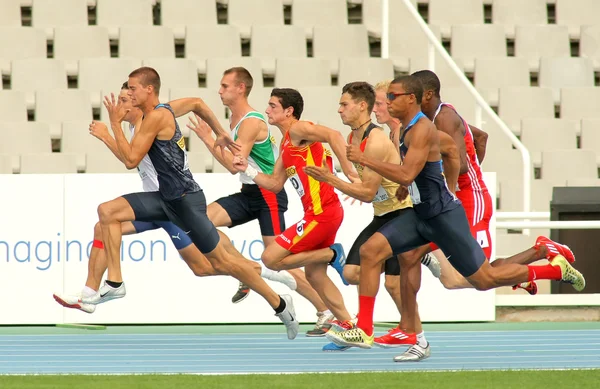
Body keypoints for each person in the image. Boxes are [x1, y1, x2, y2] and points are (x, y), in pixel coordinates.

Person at [326, 75, 585, 355]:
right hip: (420, 215)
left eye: (391, 97)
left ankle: (555, 269)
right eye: (385, 98)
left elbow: (411, 170)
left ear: (410, 99)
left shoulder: (423, 128)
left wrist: (369, 161)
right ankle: (373, 330)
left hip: (443, 217)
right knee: (373, 251)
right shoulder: (402, 130)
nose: (386, 103)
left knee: (482, 280)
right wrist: (417, 186)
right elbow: (449, 151)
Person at [81, 67, 299, 339]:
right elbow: (197, 103)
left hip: (185, 202)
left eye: (132, 91)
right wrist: (220, 131)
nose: (127, 97)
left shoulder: (157, 116)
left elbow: (129, 160)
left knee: (218, 263)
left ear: (149, 90)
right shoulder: (152, 114)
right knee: (107, 213)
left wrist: (110, 128)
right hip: (163, 200)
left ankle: (278, 302)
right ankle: (111, 283)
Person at [187, 67, 333, 336]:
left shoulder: (252, 122)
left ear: (241, 88)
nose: (219, 91)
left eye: (225, 86)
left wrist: (207, 138)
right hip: (249, 193)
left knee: (278, 260)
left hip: (269, 195)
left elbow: (234, 165)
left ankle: (325, 310)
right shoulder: (233, 120)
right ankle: (246, 268)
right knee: (200, 223)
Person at [304, 82, 441, 354]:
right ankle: (387, 330)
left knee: (394, 279)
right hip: (383, 215)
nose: (339, 109)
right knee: (354, 272)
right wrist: (347, 180)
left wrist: (331, 180)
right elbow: (363, 181)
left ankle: (391, 333)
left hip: (402, 213)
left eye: (344, 104)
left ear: (361, 106)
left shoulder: (376, 140)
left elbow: (367, 192)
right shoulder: (354, 138)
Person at [231, 88, 358, 348]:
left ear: (289, 111)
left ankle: (332, 254)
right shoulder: (287, 145)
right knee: (314, 276)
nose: (267, 111)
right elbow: (275, 184)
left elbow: (333, 134)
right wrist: (249, 169)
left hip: (322, 214)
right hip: (322, 213)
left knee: (271, 258)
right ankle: (349, 327)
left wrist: (349, 171)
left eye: (273, 106)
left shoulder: (298, 130)